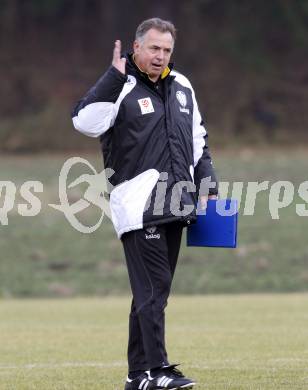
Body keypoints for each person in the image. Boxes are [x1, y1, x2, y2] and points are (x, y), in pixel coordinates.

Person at [72, 17, 218, 390]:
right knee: (153, 289)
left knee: (154, 291)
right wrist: (112, 77)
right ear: (137, 47)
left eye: (167, 49)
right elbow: (84, 122)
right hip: (138, 205)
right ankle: (156, 370)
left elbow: (198, 140)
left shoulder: (183, 85)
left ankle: (139, 375)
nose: (160, 55)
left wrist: (208, 187)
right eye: (154, 48)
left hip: (177, 202)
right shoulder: (120, 86)